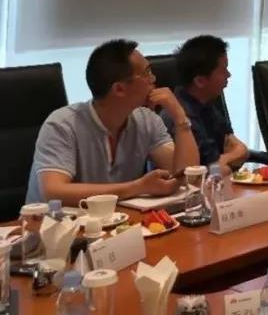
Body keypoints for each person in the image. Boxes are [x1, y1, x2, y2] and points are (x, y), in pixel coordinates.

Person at [25, 39, 199, 205]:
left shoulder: (146, 120)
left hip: (114, 221)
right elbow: (54, 192)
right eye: (147, 73)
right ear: (119, 89)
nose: (153, 79)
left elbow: (188, 176)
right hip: (51, 223)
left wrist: (179, 116)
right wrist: (137, 187)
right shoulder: (62, 124)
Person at [161, 35, 249, 170]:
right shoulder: (178, 115)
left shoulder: (206, 103)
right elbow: (197, 171)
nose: (229, 75)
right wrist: (229, 160)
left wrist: (226, 159)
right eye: (223, 70)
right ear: (200, 81)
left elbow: (241, 149)